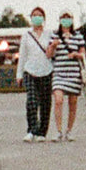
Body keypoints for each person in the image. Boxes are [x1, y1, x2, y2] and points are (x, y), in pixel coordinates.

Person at [16, 7, 57, 142]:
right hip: (30, 71)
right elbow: (22, 56)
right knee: (32, 101)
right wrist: (19, 74)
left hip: (46, 71)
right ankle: (32, 129)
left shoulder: (50, 34)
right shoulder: (26, 35)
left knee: (45, 103)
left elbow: (52, 54)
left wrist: (53, 47)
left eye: (39, 15)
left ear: (44, 18)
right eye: (34, 15)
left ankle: (42, 132)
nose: (37, 18)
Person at [49, 11, 86, 141]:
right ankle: (59, 130)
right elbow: (49, 54)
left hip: (74, 74)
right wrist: (53, 45)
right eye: (63, 18)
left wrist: (75, 54)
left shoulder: (78, 36)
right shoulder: (54, 35)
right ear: (59, 20)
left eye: (68, 17)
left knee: (73, 102)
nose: (66, 20)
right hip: (59, 72)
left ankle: (69, 130)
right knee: (58, 100)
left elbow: (83, 54)